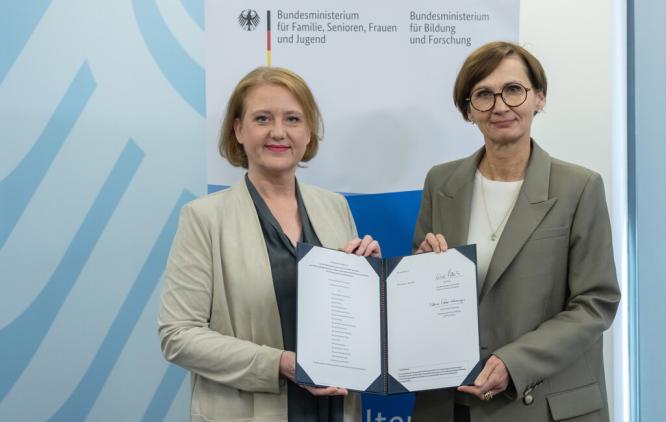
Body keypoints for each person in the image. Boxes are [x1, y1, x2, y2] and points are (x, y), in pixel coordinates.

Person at [411, 41, 621, 421]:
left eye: (513, 90)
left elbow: (595, 304)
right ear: (468, 111)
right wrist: (422, 273)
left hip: (541, 403)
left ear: (538, 98)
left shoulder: (579, 187)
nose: (500, 106)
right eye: (483, 95)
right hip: (451, 403)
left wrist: (513, 361)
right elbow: (426, 302)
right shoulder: (441, 183)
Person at [158, 66, 379, 422]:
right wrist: (280, 364)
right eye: (262, 118)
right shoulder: (204, 218)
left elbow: (350, 325)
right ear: (239, 130)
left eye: (293, 118)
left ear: (308, 132)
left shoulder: (335, 206)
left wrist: (368, 279)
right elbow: (178, 335)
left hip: (334, 411)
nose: (279, 132)